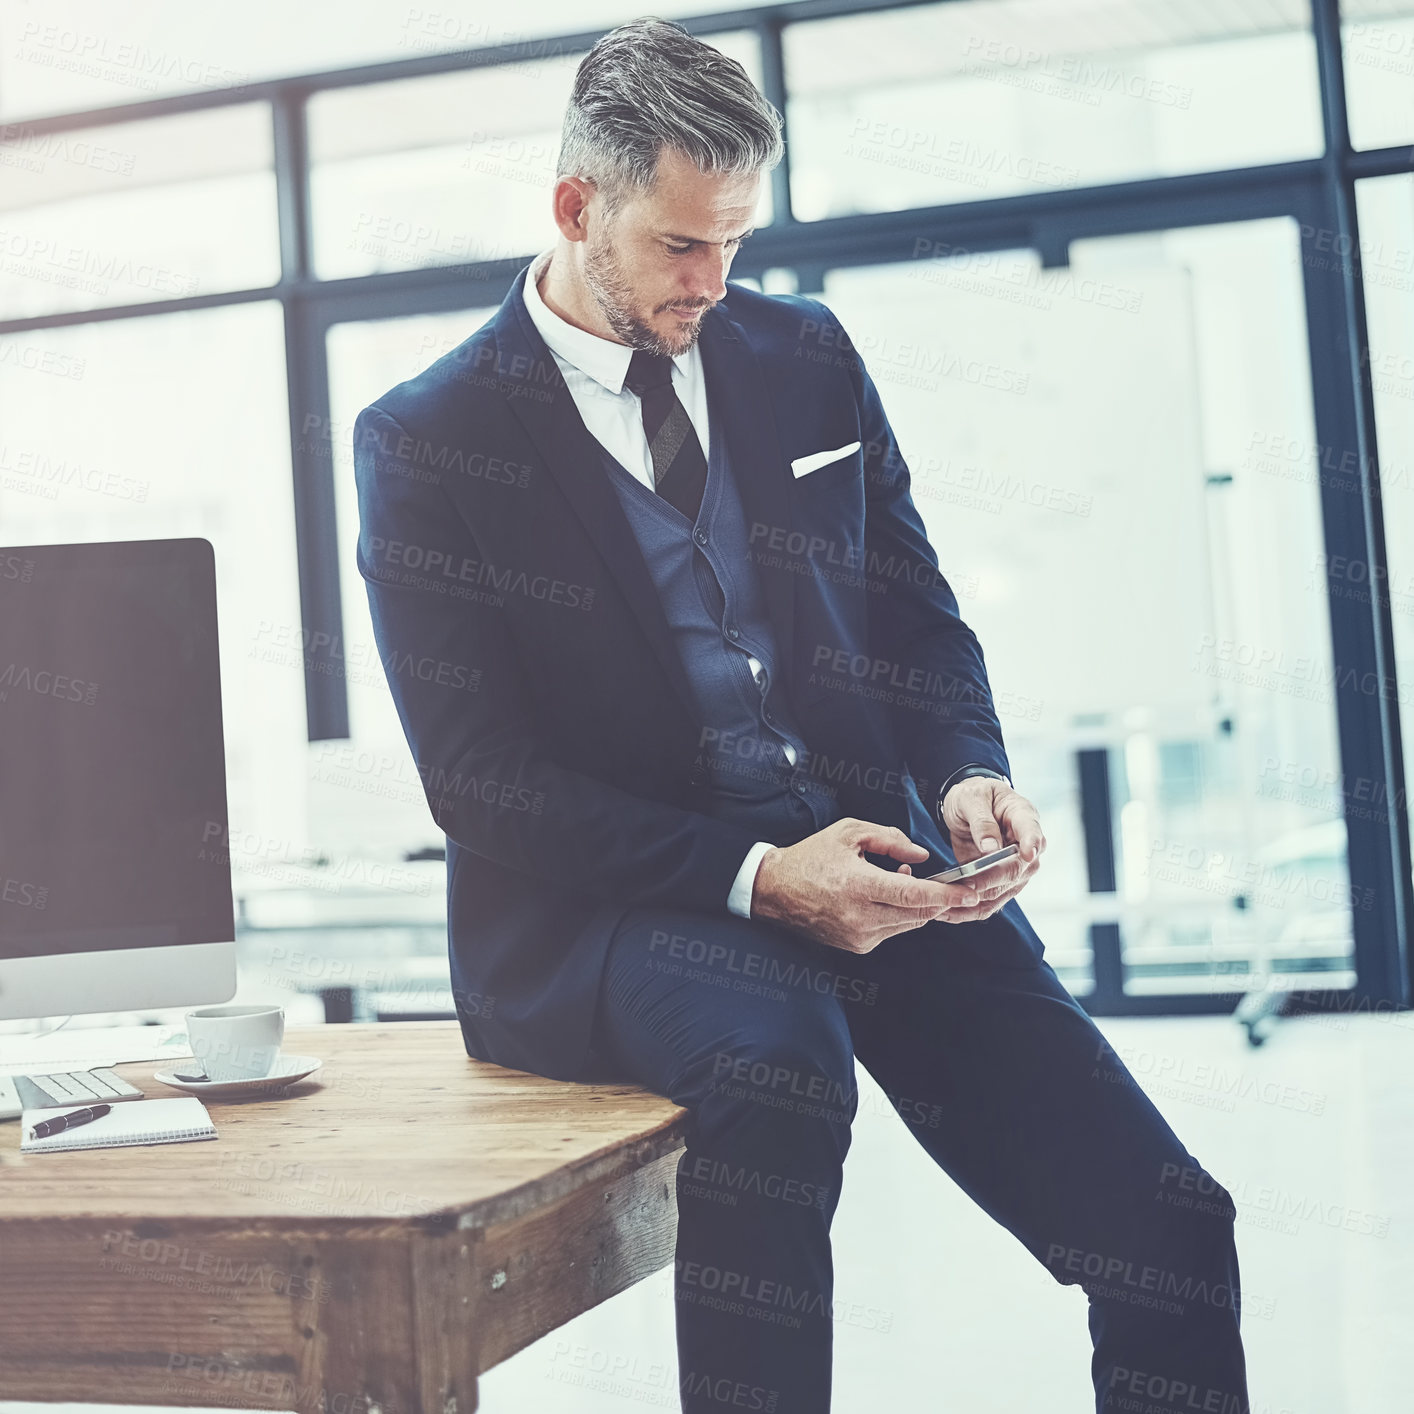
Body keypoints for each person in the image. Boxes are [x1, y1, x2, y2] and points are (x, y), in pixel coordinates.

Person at [353, 17, 1250, 1413]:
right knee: (777, 1079)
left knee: (1174, 1228)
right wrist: (760, 878)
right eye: (679, 246)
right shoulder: (426, 437)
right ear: (575, 207)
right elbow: (482, 783)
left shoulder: (804, 355)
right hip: (629, 902)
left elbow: (909, 609)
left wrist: (962, 768)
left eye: (735, 241)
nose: (715, 281)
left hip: (875, 853)